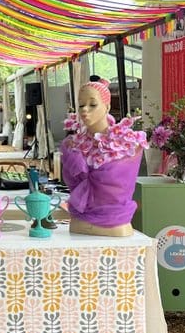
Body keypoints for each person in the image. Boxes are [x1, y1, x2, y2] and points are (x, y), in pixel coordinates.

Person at [60, 78, 148, 237]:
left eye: (92, 104)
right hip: (78, 226)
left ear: (107, 107)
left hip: (116, 228)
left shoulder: (128, 144)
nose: (85, 110)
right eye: (81, 105)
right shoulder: (71, 146)